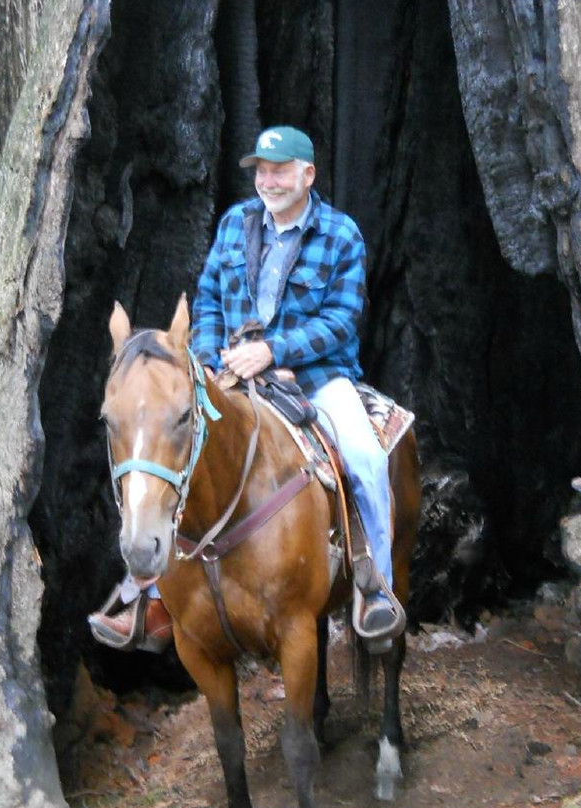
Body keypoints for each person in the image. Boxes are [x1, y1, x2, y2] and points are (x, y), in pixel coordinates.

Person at [90, 126, 404, 651]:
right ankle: (151, 597)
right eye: (262, 171)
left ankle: (375, 591)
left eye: (280, 171)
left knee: (365, 458)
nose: (268, 180)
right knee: (175, 449)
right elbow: (209, 299)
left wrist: (275, 351)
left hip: (318, 379)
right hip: (232, 375)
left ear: (308, 174)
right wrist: (214, 360)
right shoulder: (235, 223)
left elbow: (342, 319)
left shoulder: (341, 234)